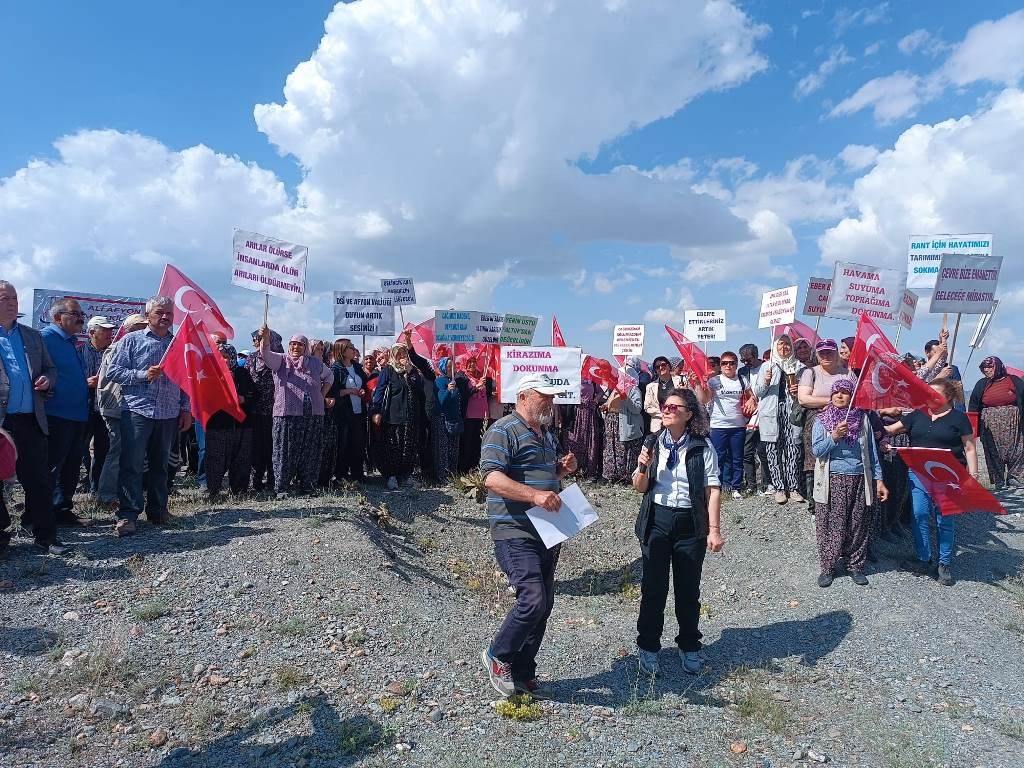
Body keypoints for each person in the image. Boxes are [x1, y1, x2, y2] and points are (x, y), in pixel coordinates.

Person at [479, 373, 577, 697]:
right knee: (532, 598)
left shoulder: (545, 433)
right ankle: (498, 655)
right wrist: (535, 496)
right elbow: (492, 478)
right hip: (514, 528)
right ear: (523, 396)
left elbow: (543, 475)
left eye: (551, 397)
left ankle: (522, 670)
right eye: (543, 396)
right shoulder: (503, 429)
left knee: (544, 603)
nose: (549, 402)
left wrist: (562, 471)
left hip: (547, 528)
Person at [631, 388, 723, 676]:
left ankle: (689, 645)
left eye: (674, 407)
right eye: (665, 406)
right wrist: (642, 467)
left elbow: (713, 490)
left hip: (689, 524)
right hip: (657, 519)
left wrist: (714, 530)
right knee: (653, 589)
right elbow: (640, 487)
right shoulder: (652, 442)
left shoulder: (702, 447)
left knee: (687, 589)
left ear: (689, 414)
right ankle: (648, 647)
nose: (667, 410)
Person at [105, 296, 193, 536]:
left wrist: (186, 408)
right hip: (137, 410)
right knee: (131, 465)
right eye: (159, 313)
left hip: (168, 412)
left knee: (161, 465)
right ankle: (128, 515)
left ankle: (158, 510)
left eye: (169, 314)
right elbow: (113, 371)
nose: (165, 317)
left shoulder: (177, 344)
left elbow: (185, 381)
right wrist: (143, 375)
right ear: (147, 315)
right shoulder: (131, 341)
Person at [887, 378, 977, 586]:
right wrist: (869, 425)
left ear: (948, 397)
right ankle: (923, 557)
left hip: (950, 477)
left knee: (945, 519)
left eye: (934, 394)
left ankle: (944, 563)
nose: (929, 397)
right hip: (918, 474)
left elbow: (970, 448)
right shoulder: (918, 414)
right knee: (919, 514)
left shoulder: (959, 418)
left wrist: (972, 477)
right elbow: (891, 430)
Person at [0, 281, 65, 554]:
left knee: (38, 479)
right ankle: (2, 538)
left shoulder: (31, 336)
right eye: (5, 298)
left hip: (30, 419)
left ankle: (45, 536)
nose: (13, 303)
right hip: (1, 423)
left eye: (14, 298)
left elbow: (51, 368)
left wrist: (47, 380)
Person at [810, 379, 889, 587]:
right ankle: (828, 566)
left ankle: (855, 565)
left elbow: (872, 453)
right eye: (836, 392)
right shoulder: (822, 420)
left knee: (858, 522)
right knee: (832, 524)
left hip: (859, 478)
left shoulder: (862, 420)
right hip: (833, 478)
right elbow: (817, 451)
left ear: (852, 396)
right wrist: (834, 436)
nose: (840, 396)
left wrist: (879, 480)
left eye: (845, 393)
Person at [256, 329, 333, 499]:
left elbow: (329, 376)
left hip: (313, 415)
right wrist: (265, 338)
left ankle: (308, 486)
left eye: (300, 344)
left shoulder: (314, 362)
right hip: (286, 414)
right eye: (293, 344)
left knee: (310, 450)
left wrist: (322, 394)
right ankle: (281, 488)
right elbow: (266, 355)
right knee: (284, 451)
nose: (296, 347)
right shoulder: (281, 360)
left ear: (305, 347)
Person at [40, 298, 90, 527]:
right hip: (56, 414)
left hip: (77, 414)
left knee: (71, 465)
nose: (81, 317)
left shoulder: (70, 341)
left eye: (81, 313)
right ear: (58, 317)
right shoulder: (44, 338)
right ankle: (41, 513)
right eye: (75, 313)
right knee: (52, 466)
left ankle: (62, 509)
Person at [95, 314, 148, 512]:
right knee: (117, 451)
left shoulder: (130, 345)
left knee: (128, 452)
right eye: (141, 326)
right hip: (116, 405)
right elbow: (118, 375)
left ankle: (122, 493)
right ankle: (107, 495)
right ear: (129, 329)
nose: (145, 330)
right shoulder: (120, 346)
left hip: (127, 406)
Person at [797, 339, 855, 512]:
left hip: (845, 421)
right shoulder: (810, 373)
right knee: (814, 460)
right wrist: (833, 402)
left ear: (836, 353)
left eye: (830, 352)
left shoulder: (847, 374)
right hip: (817, 420)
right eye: (822, 353)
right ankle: (815, 504)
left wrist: (827, 403)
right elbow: (803, 398)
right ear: (817, 355)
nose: (826, 355)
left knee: (841, 459)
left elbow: (856, 398)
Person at [755, 335, 805, 504]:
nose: (784, 347)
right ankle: (778, 487)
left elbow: (805, 393)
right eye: (781, 344)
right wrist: (766, 381)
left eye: (787, 344)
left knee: (793, 450)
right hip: (771, 412)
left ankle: (794, 487)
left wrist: (798, 390)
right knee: (773, 450)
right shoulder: (766, 366)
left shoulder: (800, 367)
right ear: (775, 347)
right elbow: (758, 392)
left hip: (791, 411)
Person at [204, 342, 256, 500]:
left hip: (241, 424)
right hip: (218, 424)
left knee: (241, 458)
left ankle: (239, 490)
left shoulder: (242, 373)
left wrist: (243, 398)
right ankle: (213, 491)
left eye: (226, 357)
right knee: (215, 458)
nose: (223, 360)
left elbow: (254, 394)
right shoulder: (209, 373)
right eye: (220, 356)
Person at [370, 342, 425, 490]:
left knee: (408, 447)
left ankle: (405, 475)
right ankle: (391, 476)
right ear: (393, 355)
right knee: (393, 446)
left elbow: (420, 386)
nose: (402, 356)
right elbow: (379, 391)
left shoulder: (411, 370)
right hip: (392, 414)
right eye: (398, 354)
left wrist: (410, 371)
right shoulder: (388, 370)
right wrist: (376, 411)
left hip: (410, 415)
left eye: (404, 353)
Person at [968, 357, 1024, 490]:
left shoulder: (1014, 380)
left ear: (998, 367)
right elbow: (974, 405)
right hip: (989, 425)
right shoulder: (982, 384)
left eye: (990, 367)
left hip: (1014, 425)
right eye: (984, 367)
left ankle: (1014, 477)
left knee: (1017, 449)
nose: (986, 370)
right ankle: (999, 480)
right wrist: (973, 427)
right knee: (993, 451)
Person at [81, 315, 116, 500]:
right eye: (105, 329)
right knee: (80, 448)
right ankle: (86, 479)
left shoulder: (113, 352)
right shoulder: (78, 352)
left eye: (111, 329)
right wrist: (84, 382)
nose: (110, 333)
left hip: (106, 409)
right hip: (84, 409)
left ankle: (96, 488)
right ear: (92, 332)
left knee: (103, 449)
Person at [706, 351, 748, 500]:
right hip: (718, 425)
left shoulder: (742, 380)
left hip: (738, 425)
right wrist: (702, 383)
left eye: (731, 363)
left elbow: (751, 397)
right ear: (720, 365)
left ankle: (736, 487)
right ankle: (719, 485)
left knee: (737, 457)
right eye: (724, 363)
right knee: (718, 457)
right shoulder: (714, 380)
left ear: (737, 365)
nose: (728, 366)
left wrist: (751, 401)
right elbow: (705, 399)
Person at [247, 328, 281, 492]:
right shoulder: (252, 358)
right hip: (255, 410)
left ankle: (274, 480)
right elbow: (247, 378)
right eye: (256, 340)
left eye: (261, 339)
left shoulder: (279, 357)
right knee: (256, 447)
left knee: (272, 446)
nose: (257, 342)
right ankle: (256, 480)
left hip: (275, 410)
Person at [600, 356, 644, 483]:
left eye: (624, 374)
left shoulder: (634, 389)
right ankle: (611, 475)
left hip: (624, 424)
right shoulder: (617, 387)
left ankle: (624, 478)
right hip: (612, 423)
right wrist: (605, 406)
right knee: (611, 449)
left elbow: (637, 409)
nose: (621, 376)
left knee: (623, 451)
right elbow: (610, 402)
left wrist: (626, 398)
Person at [331, 338, 369, 483]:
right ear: (342, 350)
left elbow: (364, 385)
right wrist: (348, 391)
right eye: (350, 347)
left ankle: (357, 473)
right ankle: (341, 475)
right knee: (344, 444)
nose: (353, 349)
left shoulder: (357, 367)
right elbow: (333, 392)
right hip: (344, 412)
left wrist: (363, 391)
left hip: (358, 411)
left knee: (358, 443)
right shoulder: (336, 369)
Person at [738, 343, 766, 496]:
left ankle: (767, 483)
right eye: (743, 360)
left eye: (749, 359)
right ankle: (751, 484)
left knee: (763, 450)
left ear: (757, 355)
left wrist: (756, 400)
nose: (746, 363)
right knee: (747, 450)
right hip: (748, 416)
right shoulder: (741, 372)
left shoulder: (767, 368)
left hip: (765, 414)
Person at [458, 357, 493, 474]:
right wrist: (475, 388)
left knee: (478, 442)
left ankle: (475, 467)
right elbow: (463, 396)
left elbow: (487, 394)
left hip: (482, 414)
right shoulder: (462, 377)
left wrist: (485, 383)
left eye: (474, 363)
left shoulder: (482, 377)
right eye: (469, 363)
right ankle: (464, 469)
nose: (472, 365)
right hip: (469, 414)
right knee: (468, 442)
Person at [563, 378, 604, 479]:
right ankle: (572, 470)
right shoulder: (573, 376)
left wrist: (595, 401)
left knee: (589, 442)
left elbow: (600, 392)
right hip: (576, 414)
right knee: (574, 440)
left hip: (589, 415)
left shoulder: (593, 379)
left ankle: (588, 470)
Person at [432, 357, 463, 483]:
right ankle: (442, 476)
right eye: (449, 366)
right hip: (442, 418)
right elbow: (441, 401)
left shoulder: (454, 381)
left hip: (454, 419)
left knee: (453, 448)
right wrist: (448, 391)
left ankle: (452, 474)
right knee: (442, 448)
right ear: (444, 367)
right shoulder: (439, 381)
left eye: (453, 366)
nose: (451, 369)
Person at [644, 356, 682, 433]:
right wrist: (664, 413)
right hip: (658, 424)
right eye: (657, 367)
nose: (661, 368)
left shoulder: (681, 380)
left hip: (677, 421)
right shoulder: (650, 386)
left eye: (663, 365)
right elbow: (647, 407)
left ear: (668, 366)